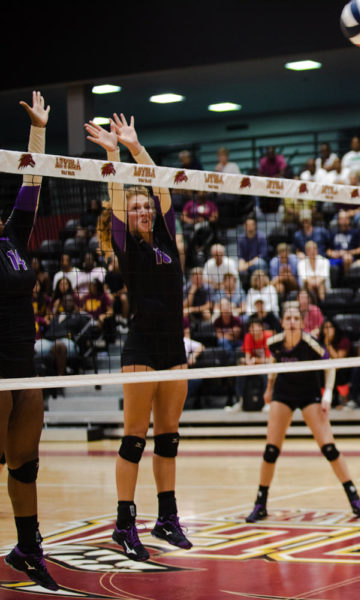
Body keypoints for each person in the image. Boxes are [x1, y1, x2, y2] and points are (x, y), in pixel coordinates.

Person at [86, 113, 192, 560]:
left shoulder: (167, 237)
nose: (144, 209)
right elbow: (115, 197)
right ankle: (124, 522)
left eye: (146, 205)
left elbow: (161, 188)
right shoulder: (125, 246)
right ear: (125, 218)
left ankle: (166, 518)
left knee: (169, 437)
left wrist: (136, 147)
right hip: (141, 350)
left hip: (174, 348)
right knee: (135, 438)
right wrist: (113, 154)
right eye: (136, 208)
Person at [1, 92, 58, 590]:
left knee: (26, 465)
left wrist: (38, 129)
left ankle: (28, 548)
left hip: (24, 367)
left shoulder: (12, 239)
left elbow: (32, 183)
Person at [245, 305, 360, 522]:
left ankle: (355, 501)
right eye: (288, 317)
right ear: (283, 322)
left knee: (329, 448)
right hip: (283, 394)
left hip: (309, 394)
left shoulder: (311, 343)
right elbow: (274, 365)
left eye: (296, 318)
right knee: (270, 451)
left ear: (301, 323)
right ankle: (260, 503)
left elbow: (329, 366)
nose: (292, 321)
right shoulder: (273, 343)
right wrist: (268, 388)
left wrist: (328, 394)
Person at [326, 210, 360, 275]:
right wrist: (332, 253)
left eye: (346, 218)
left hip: (350, 257)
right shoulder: (333, 233)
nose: (344, 221)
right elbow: (328, 250)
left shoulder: (355, 232)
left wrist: (346, 253)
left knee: (347, 258)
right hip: (336, 257)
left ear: (349, 220)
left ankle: (346, 282)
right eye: (341, 218)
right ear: (338, 220)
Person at [238, 216, 267, 286]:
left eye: (252, 224)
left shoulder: (261, 237)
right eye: (248, 225)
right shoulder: (241, 239)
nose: (250, 227)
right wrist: (241, 265)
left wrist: (246, 265)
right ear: (244, 226)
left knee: (259, 263)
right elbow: (240, 256)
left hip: (257, 262)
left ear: (255, 225)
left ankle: (261, 286)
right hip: (247, 263)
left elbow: (262, 256)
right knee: (236, 267)